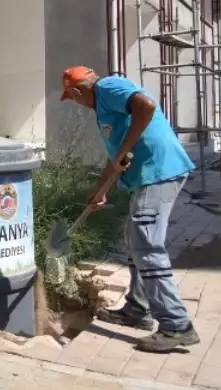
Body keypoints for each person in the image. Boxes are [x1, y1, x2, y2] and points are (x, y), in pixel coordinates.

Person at [60, 66, 200, 353]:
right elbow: (116, 156)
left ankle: (177, 326)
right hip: (147, 176)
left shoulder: (108, 87)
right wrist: (101, 190)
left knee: (147, 245)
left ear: (76, 91)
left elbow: (146, 106)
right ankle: (138, 310)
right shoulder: (103, 106)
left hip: (159, 171)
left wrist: (124, 149)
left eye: (73, 98)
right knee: (135, 241)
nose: (76, 103)